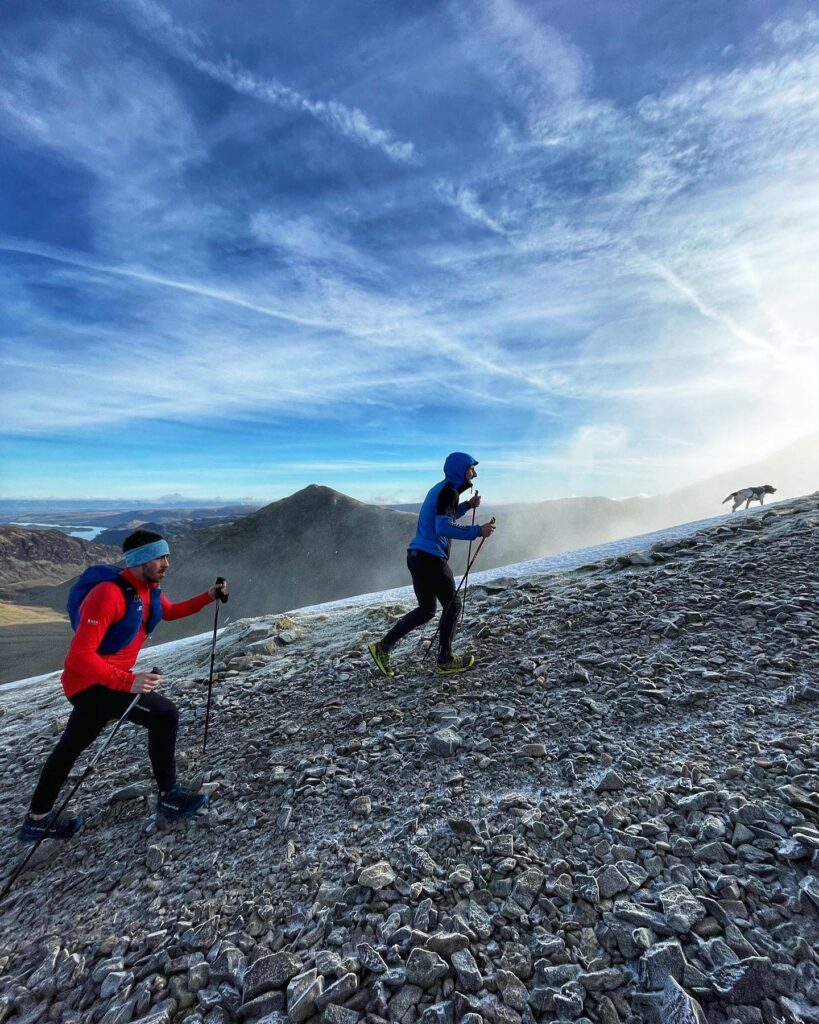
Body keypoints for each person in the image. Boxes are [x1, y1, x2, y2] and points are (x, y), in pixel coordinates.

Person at [19, 530, 228, 843]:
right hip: (91, 683)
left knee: (72, 746)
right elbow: (79, 657)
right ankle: (170, 796)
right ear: (139, 559)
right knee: (164, 715)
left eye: (167, 556)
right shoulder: (108, 594)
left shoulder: (148, 589)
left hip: (103, 681)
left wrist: (207, 596)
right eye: (159, 557)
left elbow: (168, 612)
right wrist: (129, 682)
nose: (166, 563)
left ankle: (37, 818)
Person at [368, 452, 495, 676]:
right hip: (430, 558)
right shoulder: (449, 492)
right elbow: (443, 527)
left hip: (416, 556)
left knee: (427, 610)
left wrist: (467, 505)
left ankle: (383, 647)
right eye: (471, 468)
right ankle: (445, 660)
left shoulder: (443, 489)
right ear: (460, 470)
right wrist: (478, 531)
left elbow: (446, 513)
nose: (474, 473)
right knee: (453, 604)